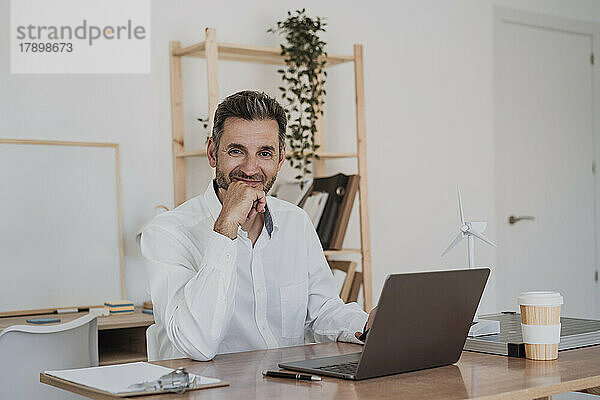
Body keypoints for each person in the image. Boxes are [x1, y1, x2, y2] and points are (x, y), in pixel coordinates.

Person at [141, 90, 375, 361]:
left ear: (280, 157)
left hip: (284, 385)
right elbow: (196, 344)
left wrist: (366, 325)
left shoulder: (296, 222)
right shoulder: (167, 233)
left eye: (264, 153)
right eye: (237, 151)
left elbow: (321, 312)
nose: (251, 169)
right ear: (213, 153)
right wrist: (227, 225)